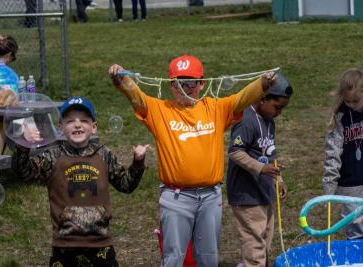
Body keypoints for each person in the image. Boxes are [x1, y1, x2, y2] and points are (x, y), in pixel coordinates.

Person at [108, 54, 278, 267]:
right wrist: (121, 80)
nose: (184, 88)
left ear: (201, 83)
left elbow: (242, 98)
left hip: (210, 197)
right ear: (170, 85)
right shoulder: (159, 110)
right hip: (175, 197)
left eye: (189, 82)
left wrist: (263, 84)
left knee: (208, 259)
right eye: (177, 83)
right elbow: (138, 97)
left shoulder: (216, 108)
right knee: (173, 258)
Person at [12, 96, 149, 266]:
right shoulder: (53, 156)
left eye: (84, 120)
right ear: (60, 128)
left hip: (101, 245)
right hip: (64, 246)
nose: (77, 125)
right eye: (70, 121)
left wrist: (138, 162)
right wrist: (23, 145)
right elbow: (23, 173)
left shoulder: (103, 154)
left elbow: (126, 185)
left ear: (93, 127)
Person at [226, 73, 292, 267]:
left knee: (264, 239)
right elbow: (235, 152)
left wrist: (278, 179)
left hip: (264, 192)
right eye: (277, 107)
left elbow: (270, 153)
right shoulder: (246, 120)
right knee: (255, 244)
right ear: (262, 98)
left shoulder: (269, 121)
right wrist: (261, 168)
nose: (279, 113)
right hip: (246, 194)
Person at [323, 68, 363, 240]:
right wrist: (329, 188)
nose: (352, 105)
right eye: (348, 102)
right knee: (355, 228)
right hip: (349, 184)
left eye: (356, 101)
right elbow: (332, 153)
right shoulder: (340, 117)